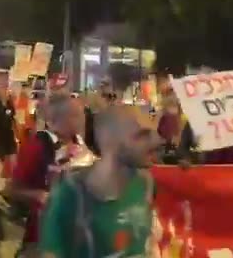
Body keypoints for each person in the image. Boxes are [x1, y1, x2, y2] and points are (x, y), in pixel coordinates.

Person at [40, 105, 162, 258]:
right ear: (110, 141)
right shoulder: (69, 195)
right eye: (142, 135)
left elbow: (145, 244)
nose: (156, 141)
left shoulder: (145, 184)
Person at [8, 93, 87, 257]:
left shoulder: (80, 143)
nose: (83, 119)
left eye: (82, 114)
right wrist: (40, 195)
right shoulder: (37, 146)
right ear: (59, 118)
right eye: (76, 115)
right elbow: (12, 189)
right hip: (44, 236)